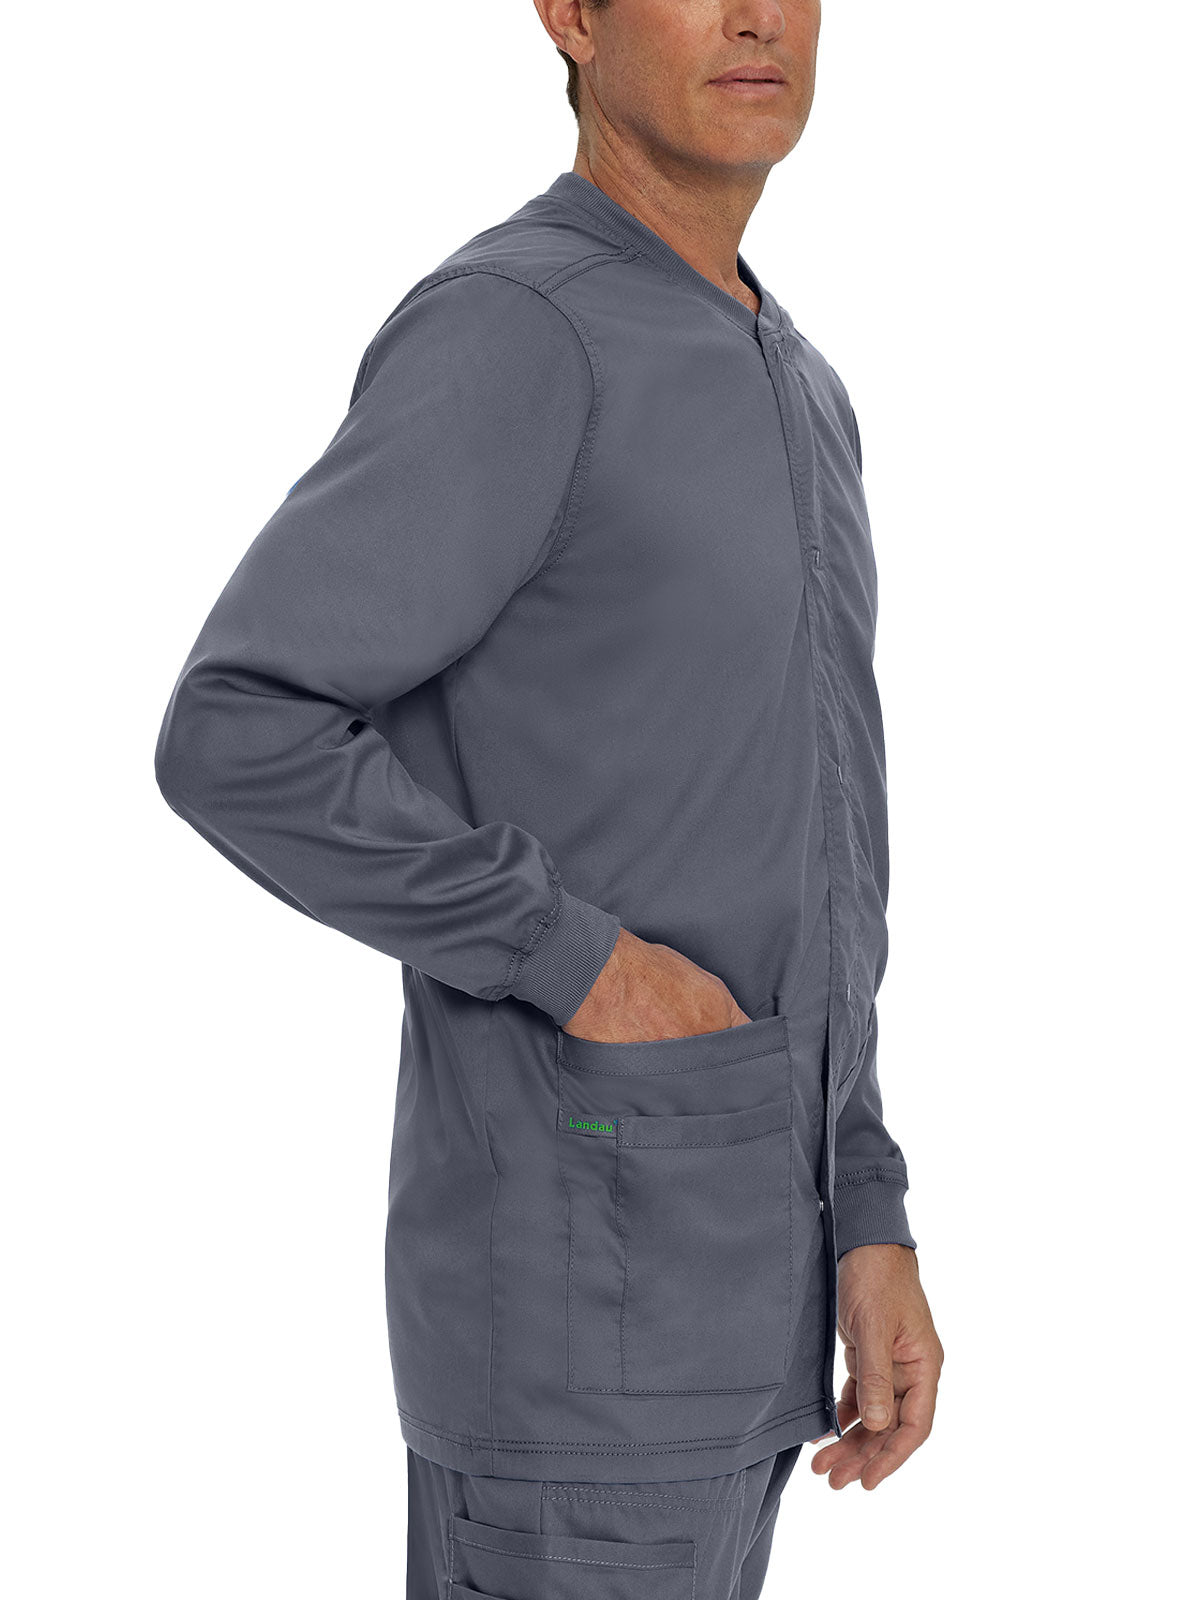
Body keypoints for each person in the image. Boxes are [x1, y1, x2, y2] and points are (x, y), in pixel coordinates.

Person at [154, 0, 943, 1592]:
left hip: (749, 1332)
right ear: (571, 14)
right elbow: (239, 726)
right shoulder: (521, 330)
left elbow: (819, 856)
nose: (757, 15)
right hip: (580, 1335)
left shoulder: (798, 382)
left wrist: (866, 1209)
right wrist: (580, 962)